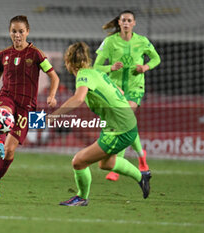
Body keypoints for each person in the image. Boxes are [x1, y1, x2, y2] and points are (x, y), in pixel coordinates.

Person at [0, 15, 60, 197]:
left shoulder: (37, 54)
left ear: (28, 32)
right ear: (10, 32)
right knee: (2, 114)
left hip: (27, 106)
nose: (17, 35)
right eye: (14, 31)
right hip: (7, 96)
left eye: (21, 31)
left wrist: (52, 95)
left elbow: (54, 77)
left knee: (9, 152)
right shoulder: (3, 55)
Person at [48, 42, 151, 206]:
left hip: (119, 129)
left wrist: (53, 116)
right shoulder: (96, 73)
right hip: (123, 124)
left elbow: (78, 99)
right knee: (107, 163)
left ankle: (81, 198)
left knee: (79, 161)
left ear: (68, 62)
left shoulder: (83, 75)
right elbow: (121, 92)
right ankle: (142, 176)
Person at [94, 10, 161, 181]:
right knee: (124, 122)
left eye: (129, 20)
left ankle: (118, 164)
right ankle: (141, 156)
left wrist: (144, 68)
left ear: (134, 23)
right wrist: (111, 68)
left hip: (135, 88)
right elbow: (96, 67)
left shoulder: (142, 41)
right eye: (123, 20)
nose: (126, 23)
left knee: (124, 118)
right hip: (115, 89)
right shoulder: (110, 42)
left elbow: (156, 59)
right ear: (119, 23)